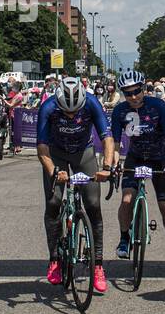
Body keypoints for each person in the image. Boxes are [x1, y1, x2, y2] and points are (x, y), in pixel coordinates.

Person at [36, 77, 113, 293]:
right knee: (53, 202)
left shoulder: (91, 102)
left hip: (83, 152)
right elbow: (42, 149)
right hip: (56, 153)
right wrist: (53, 171)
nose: (71, 116)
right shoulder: (48, 107)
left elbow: (107, 138)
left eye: (75, 111)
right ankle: (55, 259)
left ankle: (97, 265)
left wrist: (107, 166)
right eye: (66, 112)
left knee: (93, 204)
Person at [108, 69, 165, 269]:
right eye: (128, 93)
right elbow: (115, 142)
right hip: (136, 157)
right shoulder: (119, 111)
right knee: (126, 200)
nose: (133, 97)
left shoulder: (158, 106)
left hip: (158, 159)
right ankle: (124, 237)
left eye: (136, 91)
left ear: (144, 89)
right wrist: (114, 163)